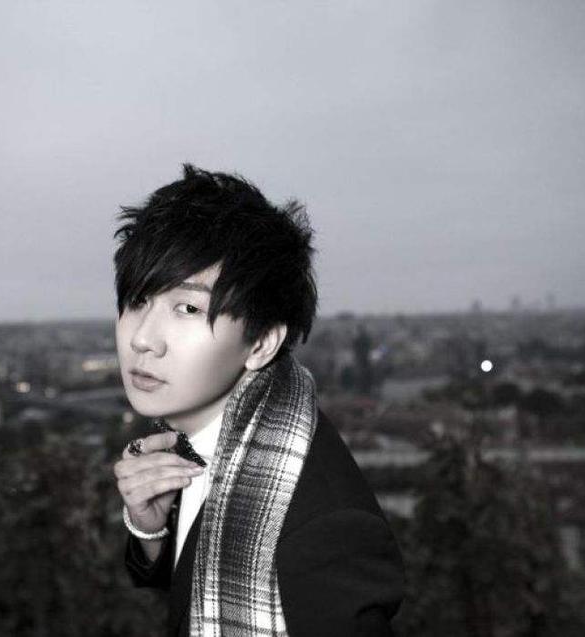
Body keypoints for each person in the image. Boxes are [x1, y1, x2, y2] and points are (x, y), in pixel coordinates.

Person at [112, 163, 405, 636]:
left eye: (187, 307)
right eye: (137, 300)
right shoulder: (210, 440)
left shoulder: (325, 530)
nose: (142, 339)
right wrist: (151, 531)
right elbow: (193, 590)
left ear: (262, 343)